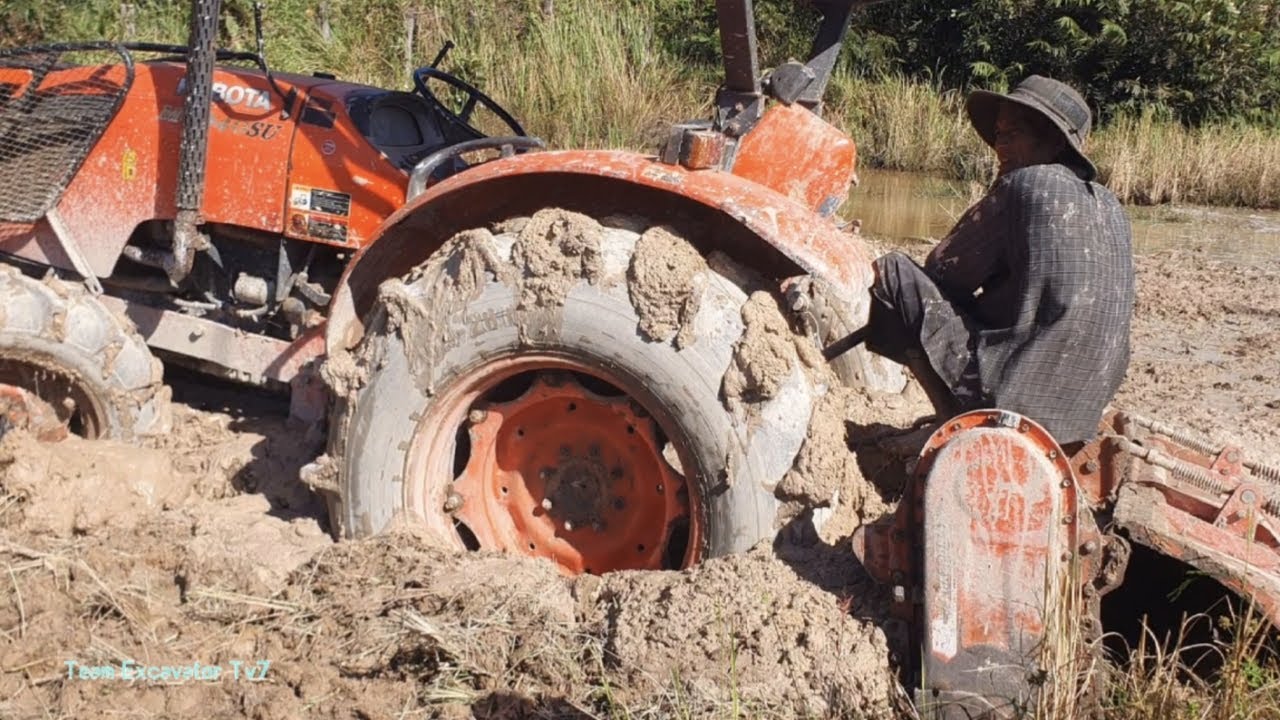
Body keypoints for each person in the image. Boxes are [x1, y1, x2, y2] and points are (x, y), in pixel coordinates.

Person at [863, 75, 1135, 447]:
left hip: (1011, 398)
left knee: (894, 272)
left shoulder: (1025, 186)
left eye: (1013, 134)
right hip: (1079, 416)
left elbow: (943, 271)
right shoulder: (1111, 206)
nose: (999, 146)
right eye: (999, 134)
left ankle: (956, 423)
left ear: (1054, 142)